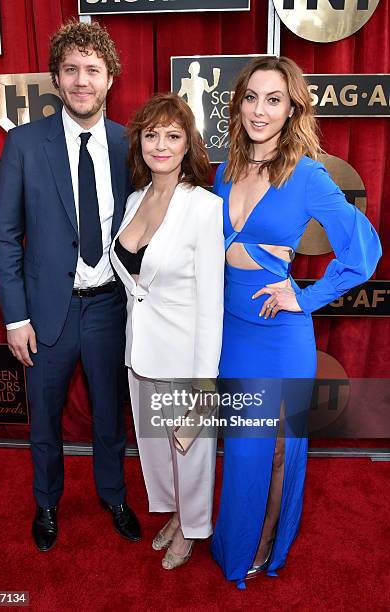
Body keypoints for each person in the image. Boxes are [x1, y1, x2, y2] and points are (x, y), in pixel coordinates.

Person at [210, 56, 381, 589]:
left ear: (292, 109)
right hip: (230, 329)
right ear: (237, 105)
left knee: (280, 444)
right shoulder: (225, 168)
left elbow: (362, 249)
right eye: (252, 97)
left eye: (274, 99)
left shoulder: (306, 174)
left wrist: (305, 298)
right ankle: (233, 541)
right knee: (242, 446)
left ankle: (265, 543)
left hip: (279, 335)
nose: (260, 110)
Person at [0, 20, 141, 552]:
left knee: (109, 415)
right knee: (45, 421)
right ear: (56, 78)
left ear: (109, 80)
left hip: (109, 308)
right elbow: (6, 238)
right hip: (46, 311)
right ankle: (47, 503)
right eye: (72, 70)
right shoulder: (25, 144)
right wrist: (15, 317)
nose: (82, 81)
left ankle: (113, 495)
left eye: (92, 71)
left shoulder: (132, 144)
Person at [110, 92, 224, 569]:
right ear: (140, 143)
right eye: (152, 135)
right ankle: (176, 513)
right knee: (156, 448)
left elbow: (212, 304)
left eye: (172, 136)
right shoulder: (136, 197)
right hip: (140, 352)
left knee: (191, 450)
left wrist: (204, 389)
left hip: (183, 356)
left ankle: (194, 527)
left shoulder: (204, 207)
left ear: (187, 145)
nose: (160, 144)